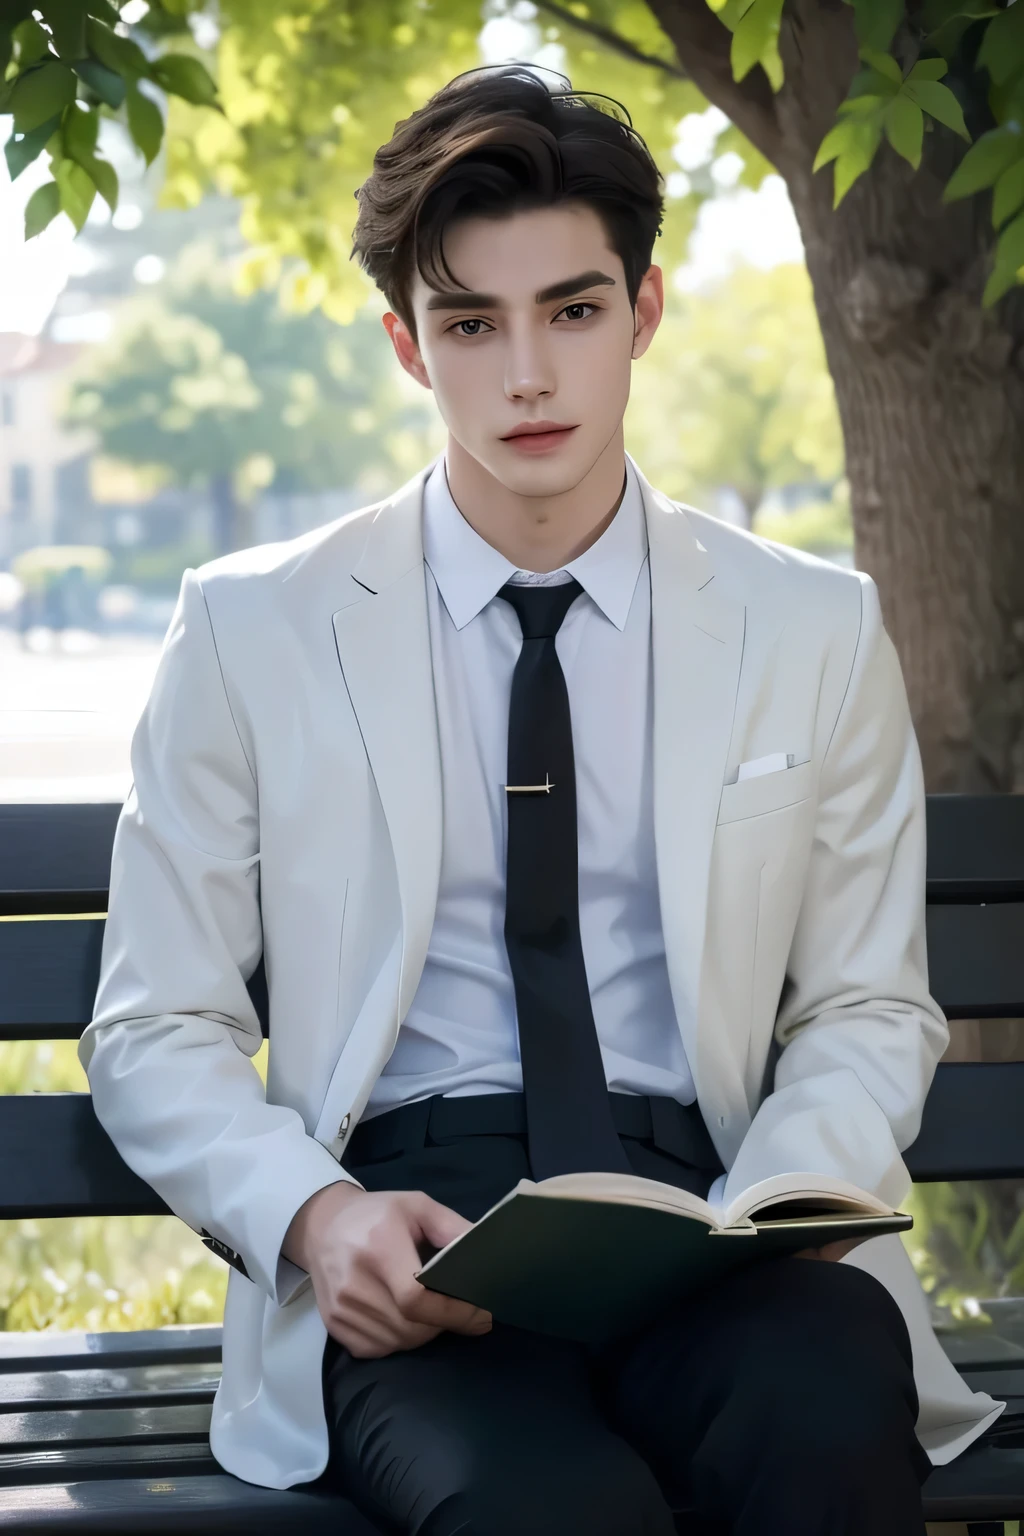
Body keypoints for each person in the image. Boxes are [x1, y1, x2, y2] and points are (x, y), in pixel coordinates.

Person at [80, 63, 1002, 1535]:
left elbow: (865, 1006)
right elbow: (155, 1024)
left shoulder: (808, 628)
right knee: (549, 1512)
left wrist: (793, 1198)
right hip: (415, 1236)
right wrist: (318, 1220)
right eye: (471, 324)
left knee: (824, 1418)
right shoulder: (250, 629)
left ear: (641, 316)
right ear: (406, 345)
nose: (527, 376)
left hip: (715, 1214)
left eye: (573, 312)